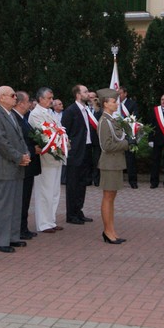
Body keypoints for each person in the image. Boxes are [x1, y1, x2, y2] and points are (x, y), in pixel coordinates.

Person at [0, 86, 30, 254]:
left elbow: (20, 137)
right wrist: (19, 157)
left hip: (17, 164)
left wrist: (25, 153)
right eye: (12, 95)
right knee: (5, 204)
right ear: (2, 97)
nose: (15, 98)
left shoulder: (10, 113)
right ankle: (0, 240)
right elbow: (1, 142)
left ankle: (13, 237)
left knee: (16, 204)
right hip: (5, 165)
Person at [29, 87, 65, 233]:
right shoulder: (36, 114)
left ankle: (51, 220)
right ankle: (43, 223)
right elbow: (44, 134)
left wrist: (64, 139)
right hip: (46, 157)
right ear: (41, 99)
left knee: (55, 191)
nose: (52, 101)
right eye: (49, 98)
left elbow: (59, 129)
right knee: (45, 191)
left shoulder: (50, 113)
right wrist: (58, 136)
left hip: (56, 156)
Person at [97, 88, 130, 244]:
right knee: (108, 198)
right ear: (105, 103)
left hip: (115, 163)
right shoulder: (104, 121)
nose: (116, 103)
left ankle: (111, 230)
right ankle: (107, 231)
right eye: (113, 101)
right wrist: (126, 143)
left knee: (111, 198)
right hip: (109, 164)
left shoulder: (111, 120)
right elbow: (107, 146)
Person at [61, 84, 95, 224]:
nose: (88, 93)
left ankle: (79, 211)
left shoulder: (86, 110)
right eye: (85, 91)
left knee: (82, 183)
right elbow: (65, 132)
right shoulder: (71, 110)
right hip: (75, 152)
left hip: (86, 149)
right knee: (73, 184)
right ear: (78, 95)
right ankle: (71, 214)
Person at [13, 90, 40, 240]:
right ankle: (19, 228)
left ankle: (23, 226)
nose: (30, 104)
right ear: (21, 103)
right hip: (22, 164)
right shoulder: (15, 119)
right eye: (28, 101)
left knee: (26, 199)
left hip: (29, 165)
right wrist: (33, 149)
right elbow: (16, 143)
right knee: (21, 199)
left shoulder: (23, 118)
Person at [118, 86, 139, 188]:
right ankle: (117, 181)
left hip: (129, 134)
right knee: (116, 158)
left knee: (130, 159)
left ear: (125, 94)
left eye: (120, 93)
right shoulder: (114, 104)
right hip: (117, 135)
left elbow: (135, 118)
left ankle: (133, 181)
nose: (118, 95)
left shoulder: (132, 104)